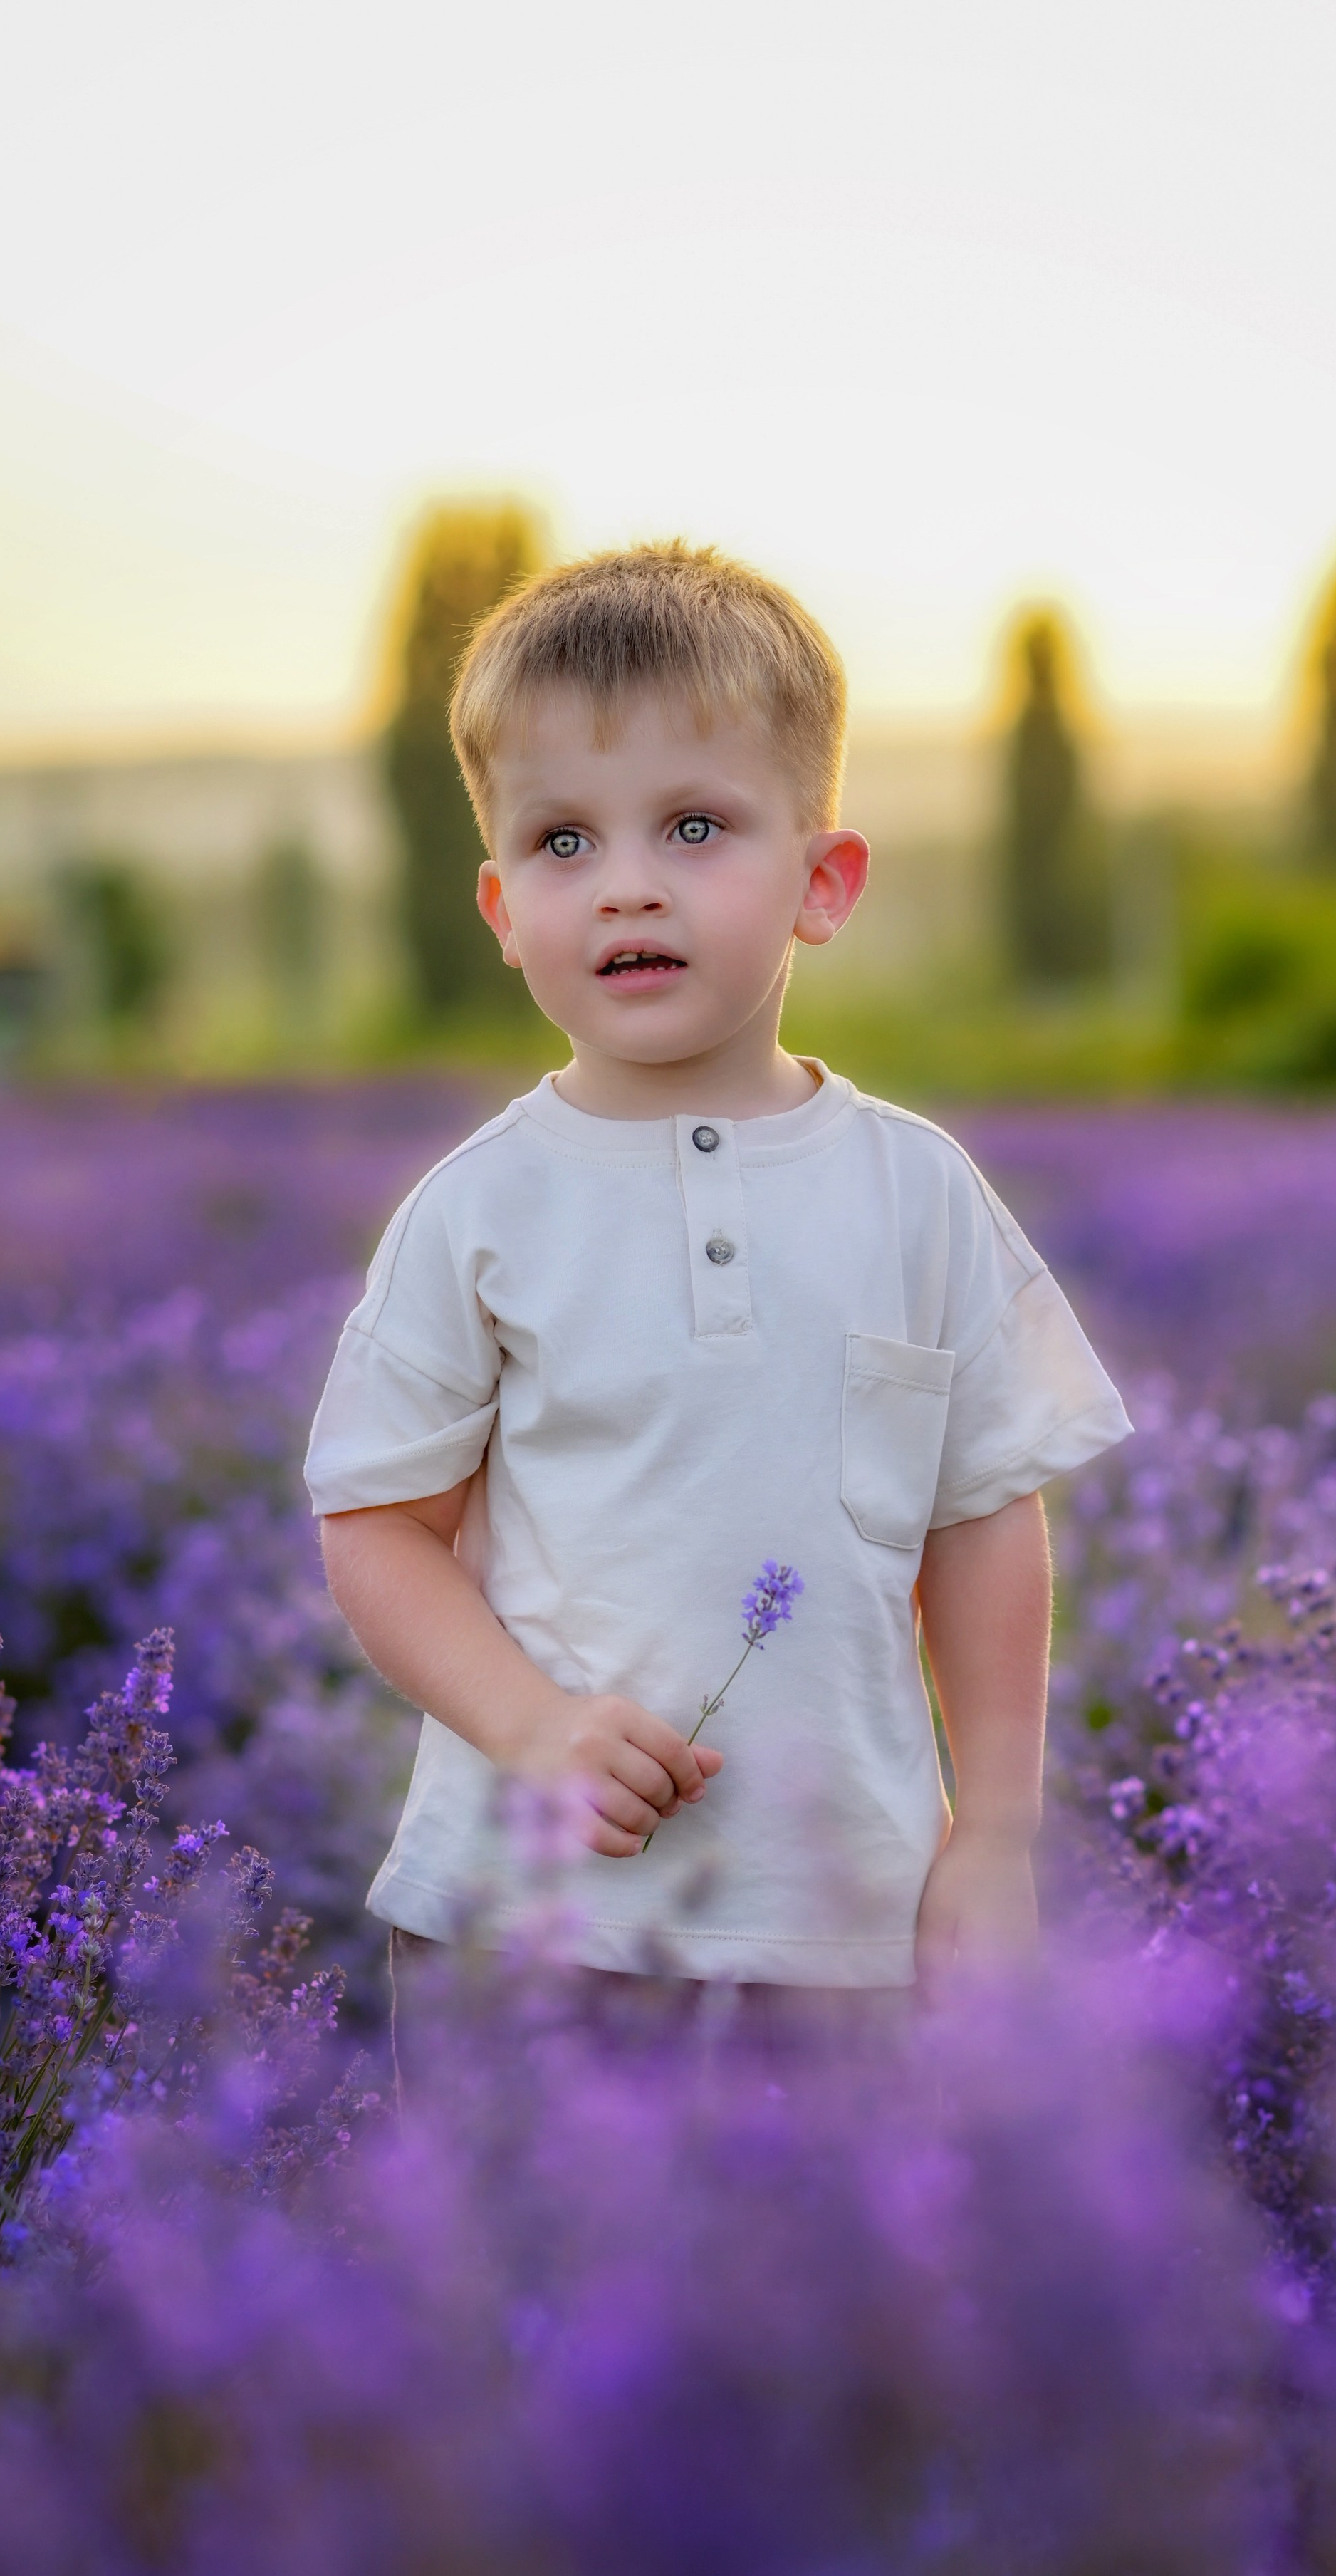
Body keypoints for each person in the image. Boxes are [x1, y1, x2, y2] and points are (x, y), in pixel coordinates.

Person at [306, 542, 1129, 2047]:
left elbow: (979, 1512)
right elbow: (376, 1531)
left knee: (840, 2292)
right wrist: (533, 1728)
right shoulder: (478, 1211)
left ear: (822, 882)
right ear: (498, 906)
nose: (624, 883)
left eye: (693, 826)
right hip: (528, 1929)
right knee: (521, 2287)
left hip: (846, 1935)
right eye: (562, 842)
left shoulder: (915, 1191)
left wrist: (996, 1832)